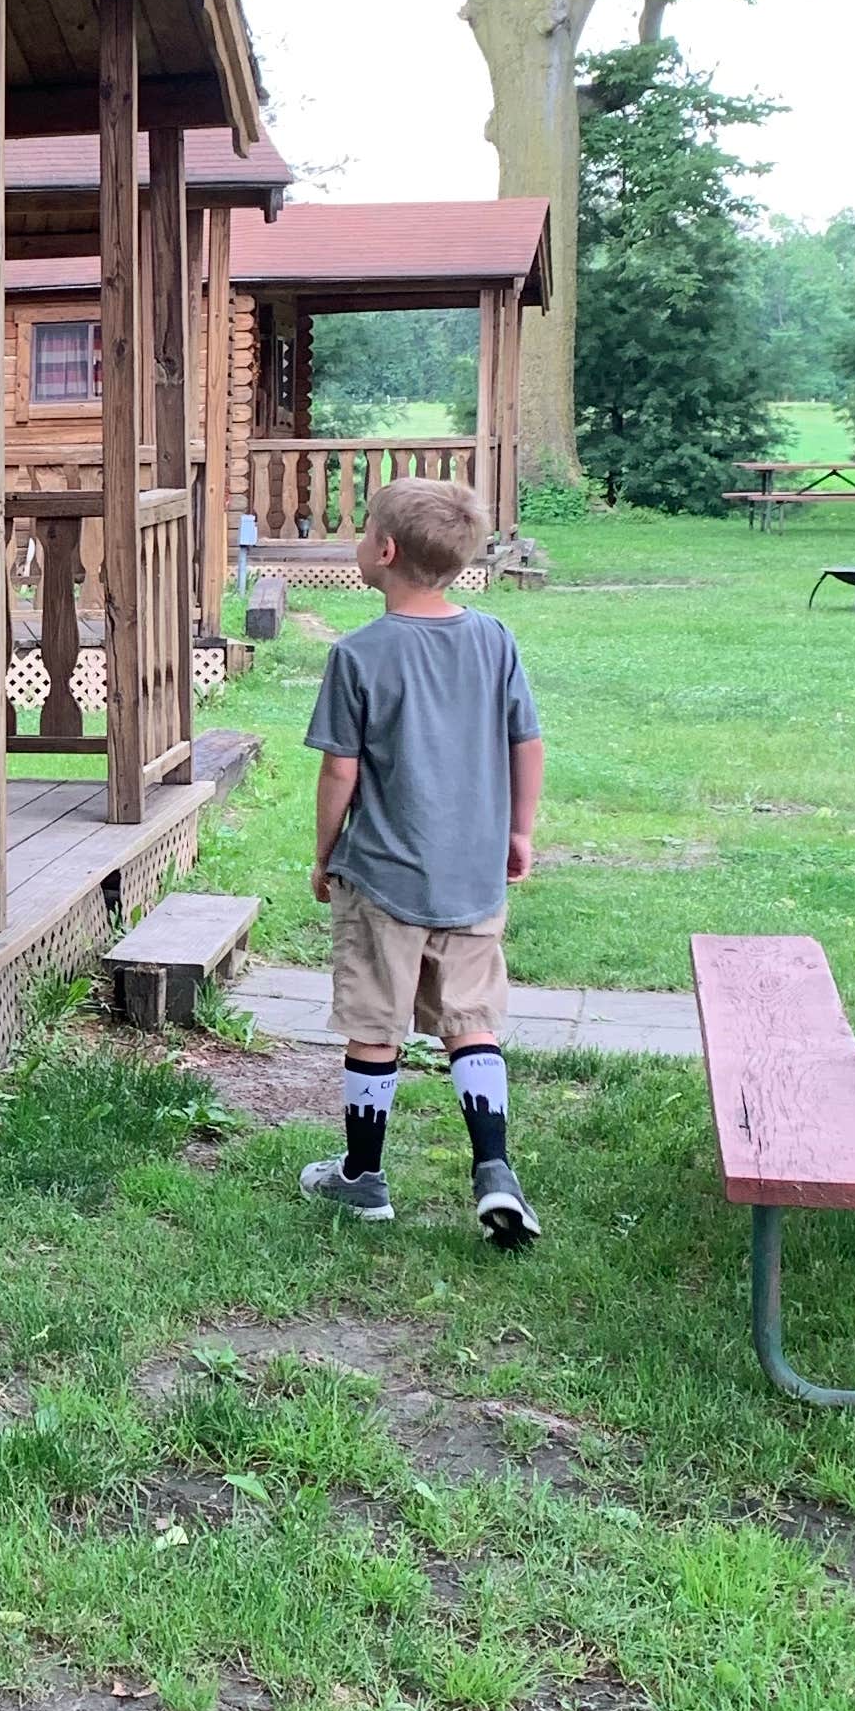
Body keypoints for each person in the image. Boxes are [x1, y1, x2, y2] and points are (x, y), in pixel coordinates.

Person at [294, 475, 545, 1248]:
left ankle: (363, 1177)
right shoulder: (494, 639)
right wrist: (520, 833)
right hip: (472, 876)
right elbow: (526, 742)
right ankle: (495, 1170)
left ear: (385, 551)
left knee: (375, 1022)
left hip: (383, 877)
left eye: (365, 529)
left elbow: (340, 771)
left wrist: (324, 853)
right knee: (471, 1021)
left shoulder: (358, 654)